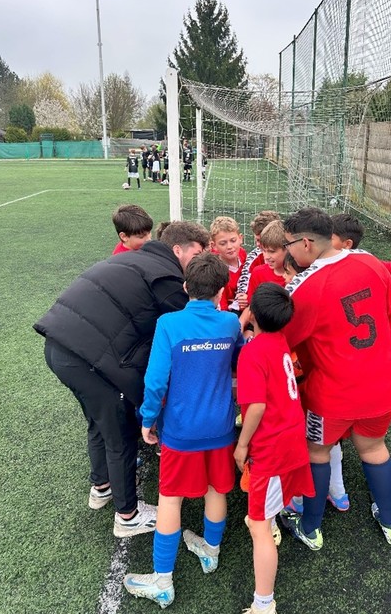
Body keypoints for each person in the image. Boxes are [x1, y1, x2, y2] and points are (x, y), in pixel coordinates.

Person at [33, 221, 210, 538]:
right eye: (197, 253)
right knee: (121, 433)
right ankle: (127, 515)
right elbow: (192, 329)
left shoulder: (136, 258)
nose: (200, 260)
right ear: (177, 250)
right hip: (87, 357)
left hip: (59, 346)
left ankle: (101, 486)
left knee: (98, 421)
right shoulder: (167, 277)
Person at [279, 207, 391, 549]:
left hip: (333, 394)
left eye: (289, 245)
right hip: (384, 384)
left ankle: (311, 527)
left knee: (317, 451)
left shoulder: (305, 287)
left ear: (306, 243)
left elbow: (283, 341)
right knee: (374, 447)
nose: (288, 251)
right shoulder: (370, 262)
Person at [123, 253, 244, 608]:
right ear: (221, 291)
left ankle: (163, 581)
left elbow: (156, 380)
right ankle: (210, 551)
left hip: (181, 430)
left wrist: (147, 419)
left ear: (186, 286)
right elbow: (239, 363)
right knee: (216, 489)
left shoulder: (169, 324)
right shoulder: (230, 323)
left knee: (170, 498)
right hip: (221, 427)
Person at [235, 283, 315, 614]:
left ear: (252, 312)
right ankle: (268, 514)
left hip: (272, 447)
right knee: (265, 507)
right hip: (291, 436)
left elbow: (255, 407)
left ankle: (264, 603)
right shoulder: (280, 340)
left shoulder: (252, 352)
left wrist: (241, 445)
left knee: (259, 527)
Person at [281, 252, 350, 514]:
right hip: (333, 383)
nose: (285, 278)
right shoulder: (328, 294)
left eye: (288, 273)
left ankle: (301, 499)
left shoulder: (302, 302)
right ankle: (338, 492)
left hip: (313, 388)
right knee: (330, 442)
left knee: (310, 444)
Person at [331, 213, 391, 285]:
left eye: (329, 239)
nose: (325, 241)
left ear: (347, 244)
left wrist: (388, 290)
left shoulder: (367, 264)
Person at [210, 216, 248, 313]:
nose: (230, 247)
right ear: (214, 245)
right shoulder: (215, 272)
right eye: (223, 243)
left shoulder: (243, 254)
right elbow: (222, 310)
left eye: (233, 240)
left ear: (240, 238)